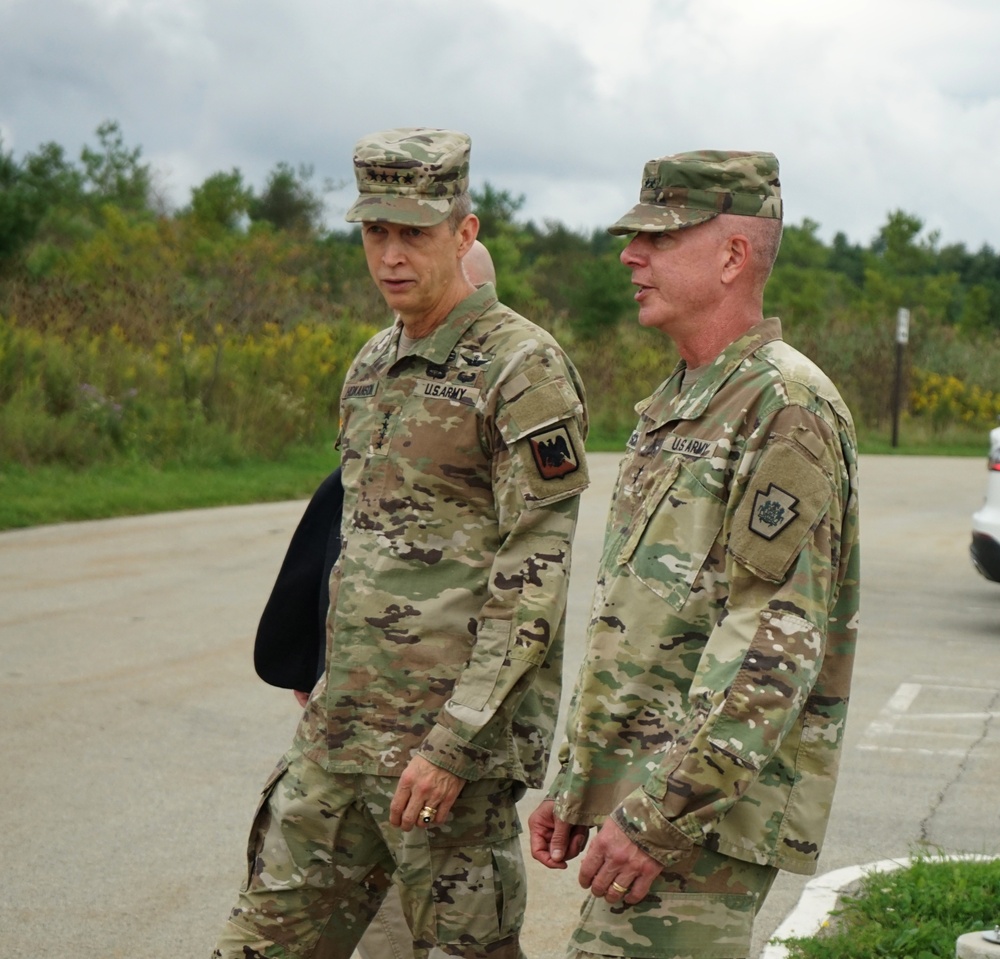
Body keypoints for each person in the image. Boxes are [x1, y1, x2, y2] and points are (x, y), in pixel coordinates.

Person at [213, 127, 589, 959]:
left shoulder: (520, 367)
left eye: (413, 233)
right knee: (256, 943)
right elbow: (355, 545)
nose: (390, 254)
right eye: (374, 232)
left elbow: (534, 576)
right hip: (339, 741)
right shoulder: (372, 363)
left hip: (442, 760)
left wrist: (455, 742)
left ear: (464, 231)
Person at [528, 150, 861, 959]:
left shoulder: (785, 406)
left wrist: (658, 817)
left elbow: (771, 649)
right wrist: (583, 774)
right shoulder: (684, 398)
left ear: (732, 256)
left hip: (704, 814)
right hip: (649, 791)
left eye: (659, 238)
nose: (629, 256)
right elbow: (642, 618)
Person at [251, 239, 499, 959]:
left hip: (439, 746)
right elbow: (329, 550)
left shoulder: (497, 407)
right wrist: (314, 665)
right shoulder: (380, 392)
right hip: (355, 734)